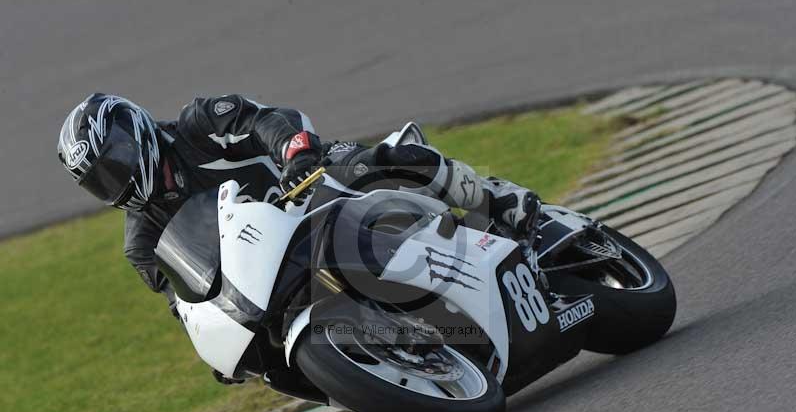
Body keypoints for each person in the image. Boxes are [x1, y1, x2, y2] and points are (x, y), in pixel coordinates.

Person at [57, 92, 538, 325]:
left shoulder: (197, 124)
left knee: (385, 160)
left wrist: (295, 152)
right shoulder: (142, 244)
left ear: (132, 133)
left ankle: (499, 202)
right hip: (278, 264)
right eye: (99, 179)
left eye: (113, 162)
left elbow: (267, 120)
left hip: (312, 186)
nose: (114, 179)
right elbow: (184, 304)